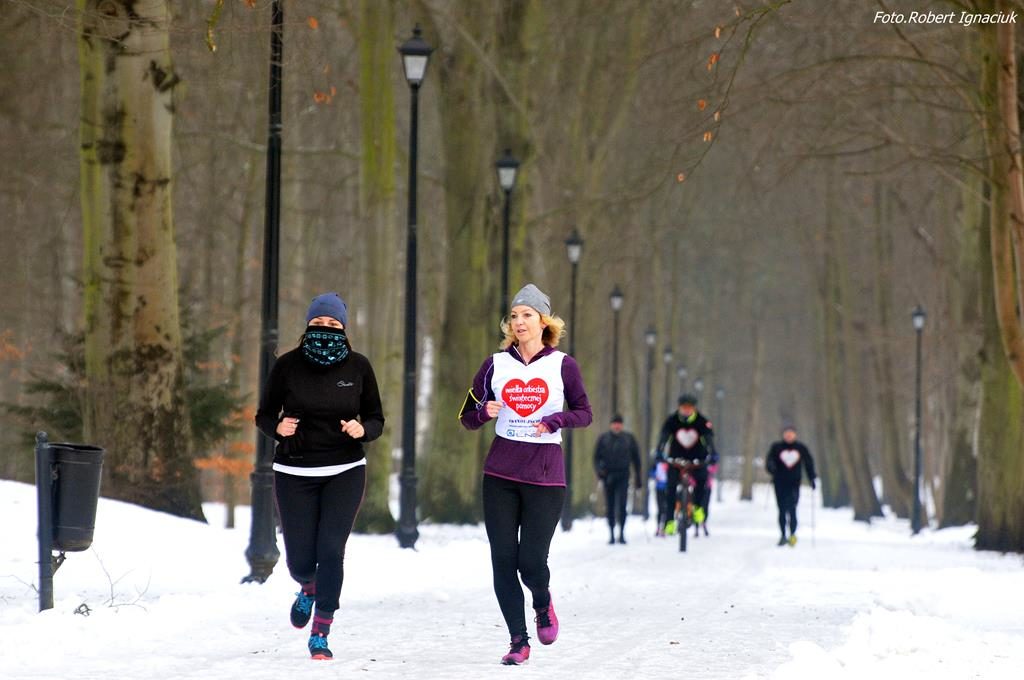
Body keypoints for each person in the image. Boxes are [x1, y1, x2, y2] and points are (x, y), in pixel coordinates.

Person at [460, 283, 593, 666]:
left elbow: (585, 413)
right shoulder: (494, 365)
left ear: (543, 321)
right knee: (503, 560)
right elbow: (466, 416)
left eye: (527, 315)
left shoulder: (563, 365)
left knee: (531, 562)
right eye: (514, 316)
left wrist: (555, 420)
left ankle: (542, 602)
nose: (519, 322)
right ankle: (518, 640)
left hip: (545, 476)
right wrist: (483, 413)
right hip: (500, 475)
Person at [254, 292, 385, 661]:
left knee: (330, 550)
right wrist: (277, 428)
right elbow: (264, 414)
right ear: (307, 325)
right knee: (299, 560)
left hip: (344, 469)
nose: (325, 329)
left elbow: (376, 417)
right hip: (294, 471)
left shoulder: (358, 367)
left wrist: (364, 430)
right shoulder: (287, 366)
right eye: (318, 323)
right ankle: (307, 587)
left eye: (332, 324)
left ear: (343, 328)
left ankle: (321, 631)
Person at [654, 394, 717, 537]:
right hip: (676, 460)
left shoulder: (702, 421)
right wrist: (659, 451)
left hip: (697, 459)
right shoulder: (671, 421)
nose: (687, 410)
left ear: (694, 408)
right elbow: (664, 438)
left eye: (690, 407)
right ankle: (669, 521)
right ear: (679, 408)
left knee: (702, 481)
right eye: (684, 407)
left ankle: (698, 507)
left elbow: (709, 440)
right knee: (670, 488)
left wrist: (713, 454)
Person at [593, 414, 642, 545]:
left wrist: (638, 478)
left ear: (622, 425)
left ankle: (622, 533)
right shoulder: (603, 439)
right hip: (608, 476)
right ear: (611, 425)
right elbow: (596, 458)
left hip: (623, 475)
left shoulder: (629, 439)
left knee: (622, 505)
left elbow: (636, 459)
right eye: (615, 423)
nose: (617, 426)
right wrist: (599, 471)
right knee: (610, 506)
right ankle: (611, 534)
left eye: (619, 423)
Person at [765, 425, 817, 546]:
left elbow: (808, 463)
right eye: (787, 433)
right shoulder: (776, 447)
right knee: (782, 509)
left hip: (794, 483)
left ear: (795, 435)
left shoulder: (801, 448)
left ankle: (792, 534)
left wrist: (812, 478)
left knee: (792, 508)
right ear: (783, 435)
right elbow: (769, 461)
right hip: (779, 483)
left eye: (791, 433)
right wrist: (771, 468)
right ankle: (783, 535)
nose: (789, 436)